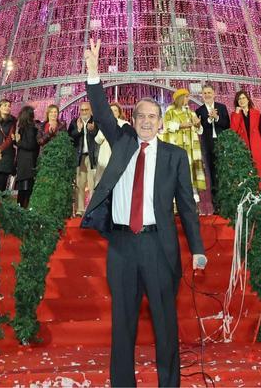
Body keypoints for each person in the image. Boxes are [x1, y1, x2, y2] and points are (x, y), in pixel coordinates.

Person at [80, 38, 205, 387]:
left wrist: (197, 249)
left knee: (165, 325)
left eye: (153, 117)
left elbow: (188, 206)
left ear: (161, 122)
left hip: (157, 247)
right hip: (121, 246)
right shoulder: (122, 141)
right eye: (142, 116)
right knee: (123, 325)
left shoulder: (174, 156)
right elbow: (103, 112)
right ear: (132, 121)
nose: (147, 122)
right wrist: (93, 72)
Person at [161, 89, 208, 210]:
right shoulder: (170, 110)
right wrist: (182, 125)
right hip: (177, 147)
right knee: (178, 174)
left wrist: (198, 125)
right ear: (180, 98)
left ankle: (193, 204)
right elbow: (167, 126)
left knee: (190, 173)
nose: (188, 99)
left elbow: (199, 130)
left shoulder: (190, 112)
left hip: (191, 148)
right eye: (186, 97)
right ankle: (176, 205)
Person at [231, 90, 261, 190]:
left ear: (248, 99)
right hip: (244, 148)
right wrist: (237, 113)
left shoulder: (256, 113)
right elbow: (233, 131)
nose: (241, 100)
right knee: (248, 174)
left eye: (243, 98)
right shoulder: (235, 114)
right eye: (239, 99)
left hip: (258, 147)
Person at [195, 84, 231, 201]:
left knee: (224, 170)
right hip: (208, 144)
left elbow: (227, 125)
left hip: (222, 143)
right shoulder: (199, 111)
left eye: (209, 92)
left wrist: (217, 117)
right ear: (202, 95)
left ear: (214, 93)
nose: (207, 95)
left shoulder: (222, 107)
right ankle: (216, 202)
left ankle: (228, 198)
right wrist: (210, 119)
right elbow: (200, 129)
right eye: (205, 93)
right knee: (211, 171)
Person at [70, 101, 100, 215]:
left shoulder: (96, 122)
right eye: (82, 110)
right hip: (79, 157)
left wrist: (92, 130)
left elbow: (100, 137)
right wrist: (78, 130)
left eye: (86, 109)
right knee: (79, 184)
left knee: (92, 184)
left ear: (90, 110)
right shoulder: (74, 122)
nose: (84, 112)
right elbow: (70, 137)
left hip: (92, 157)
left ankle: (91, 210)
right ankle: (80, 210)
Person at [13, 106, 40, 209]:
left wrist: (18, 142)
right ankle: (22, 209)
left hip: (26, 163)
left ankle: (21, 210)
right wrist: (16, 141)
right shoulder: (29, 127)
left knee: (24, 190)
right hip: (26, 162)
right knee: (25, 189)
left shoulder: (28, 128)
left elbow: (30, 145)